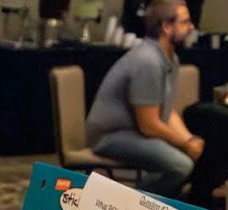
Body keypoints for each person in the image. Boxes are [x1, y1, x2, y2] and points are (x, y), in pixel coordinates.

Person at [83, 0, 205, 196]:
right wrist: (185, 144)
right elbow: (149, 125)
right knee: (180, 165)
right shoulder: (147, 60)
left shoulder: (170, 59)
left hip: (134, 133)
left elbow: (167, 110)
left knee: (193, 156)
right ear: (166, 26)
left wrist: (189, 139)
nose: (191, 27)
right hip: (111, 136)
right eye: (185, 22)